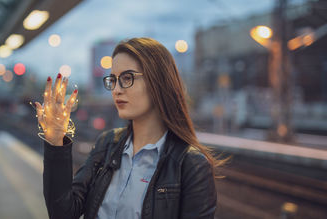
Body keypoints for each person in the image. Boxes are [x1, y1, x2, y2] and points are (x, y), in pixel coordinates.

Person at [35, 37, 219, 219]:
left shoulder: (191, 165)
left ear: (158, 81)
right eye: (113, 80)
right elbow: (63, 213)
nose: (116, 90)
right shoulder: (107, 143)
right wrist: (56, 142)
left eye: (127, 78)